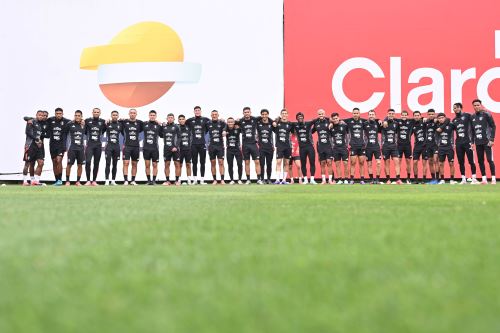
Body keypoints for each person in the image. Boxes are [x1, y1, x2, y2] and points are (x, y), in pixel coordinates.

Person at [451, 102, 478, 184]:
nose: (456, 109)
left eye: (457, 107)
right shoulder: (454, 120)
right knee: (461, 161)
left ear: (461, 108)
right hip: (459, 143)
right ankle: (463, 179)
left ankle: (474, 178)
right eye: (454, 108)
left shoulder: (467, 115)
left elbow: (474, 124)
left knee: (471, 161)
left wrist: (472, 141)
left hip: (468, 141)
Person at [471, 99, 496, 184]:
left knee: (489, 160)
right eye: (475, 105)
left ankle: (493, 179)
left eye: (478, 105)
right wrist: (472, 142)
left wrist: (492, 139)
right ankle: (484, 179)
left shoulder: (487, 114)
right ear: (473, 106)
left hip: (487, 141)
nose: (476, 107)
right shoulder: (472, 117)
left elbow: (493, 126)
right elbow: (472, 131)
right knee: (480, 161)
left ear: (481, 105)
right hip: (478, 143)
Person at [237, 107, 262, 184]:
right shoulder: (240, 121)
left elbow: (265, 117)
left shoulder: (255, 119)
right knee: (246, 162)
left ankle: (259, 179)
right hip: (245, 145)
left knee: (257, 161)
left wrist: (276, 119)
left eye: (248, 112)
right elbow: (229, 124)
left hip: (253, 144)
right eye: (245, 112)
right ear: (243, 113)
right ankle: (248, 179)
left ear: (250, 112)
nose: (246, 113)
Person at [46, 107, 70, 185]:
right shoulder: (50, 120)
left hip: (61, 145)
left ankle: (60, 180)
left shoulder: (66, 121)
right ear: (55, 114)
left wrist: (82, 121)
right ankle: (56, 180)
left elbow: (76, 121)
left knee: (59, 160)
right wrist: (30, 120)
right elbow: (41, 120)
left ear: (62, 114)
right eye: (57, 114)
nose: (58, 115)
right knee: (54, 162)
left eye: (60, 114)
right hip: (52, 145)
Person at [186, 106, 210, 185]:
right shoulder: (190, 120)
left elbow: (213, 123)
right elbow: (182, 124)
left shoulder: (205, 120)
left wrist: (222, 120)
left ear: (201, 111)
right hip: (193, 144)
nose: (197, 112)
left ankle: (202, 180)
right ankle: (195, 179)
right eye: (196, 110)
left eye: (198, 110)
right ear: (194, 112)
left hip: (202, 144)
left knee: (202, 162)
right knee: (194, 162)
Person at [121, 109, 143, 185]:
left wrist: (157, 121)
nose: (132, 114)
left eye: (134, 113)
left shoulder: (140, 123)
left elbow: (149, 125)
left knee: (134, 164)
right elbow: (115, 121)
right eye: (131, 113)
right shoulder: (124, 122)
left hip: (136, 146)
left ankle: (133, 180)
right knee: (126, 163)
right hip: (127, 146)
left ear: (136, 114)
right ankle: (126, 180)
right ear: (129, 114)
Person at [84, 108, 106, 186]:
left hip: (98, 145)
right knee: (88, 162)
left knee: (96, 163)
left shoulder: (102, 121)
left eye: (97, 112)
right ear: (92, 112)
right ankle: (88, 180)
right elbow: (85, 132)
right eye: (95, 112)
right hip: (89, 145)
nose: (96, 113)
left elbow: (104, 131)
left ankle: (94, 181)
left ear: (100, 113)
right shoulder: (87, 121)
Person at [22, 111, 45, 186]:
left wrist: (39, 141)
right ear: (36, 115)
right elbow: (27, 132)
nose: (41, 116)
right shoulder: (31, 121)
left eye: (42, 115)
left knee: (41, 162)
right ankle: (24, 181)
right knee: (27, 163)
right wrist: (36, 139)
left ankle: (35, 181)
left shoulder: (40, 125)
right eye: (39, 115)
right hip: (30, 145)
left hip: (38, 147)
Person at [311, 109, 334, 184]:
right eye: (319, 114)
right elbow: (311, 131)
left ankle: (330, 180)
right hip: (320, 146)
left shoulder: (329, 121)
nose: (321, 115)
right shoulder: (316, 123)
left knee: (329, 162)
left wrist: (331, 122)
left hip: (328, 145)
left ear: (324, 114)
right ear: (318, 115)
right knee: (322, 163)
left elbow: (335, 121)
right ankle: (323, 180)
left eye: (322, 114)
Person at [63, 110, 86, 186]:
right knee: (69, 164)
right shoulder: (70, 124)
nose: (77, 117)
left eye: (79, 115)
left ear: (81, 116)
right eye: (76, 115)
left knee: (80, 165)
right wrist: (65, 146)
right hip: (72, 148)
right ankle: (67, 181)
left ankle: (78, 181)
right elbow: (65, 134)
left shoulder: (84, 124)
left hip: (81, 148)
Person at [272, 108, 294, 184]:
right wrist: (275, 121)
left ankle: (284, 180)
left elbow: (294, 132)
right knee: (278, 162)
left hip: (288, 146)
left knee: (286, 163)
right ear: (281, 115)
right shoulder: (277, 123)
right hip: (280, 146)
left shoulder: (290, 124)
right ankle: (277, 179)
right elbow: (272, 124)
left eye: (285, 113)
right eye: (283, 113)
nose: (284, 115)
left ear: (287, 115)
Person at [344, 108, 366, 184]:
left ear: (359, 113)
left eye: (357, 113)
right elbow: (338, 120)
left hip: (361, 145)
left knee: (362, 162)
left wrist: (379, 120)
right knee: (353, 162)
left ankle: (362, 179)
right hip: (353, 145)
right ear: (352, 113)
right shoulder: (348, 121)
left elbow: (373, 120)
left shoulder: (363, 121)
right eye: (354, 113)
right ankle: (352, 179)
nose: (355, 114)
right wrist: (330, 123)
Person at [294, 112, 317, 184]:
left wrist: (330, 120)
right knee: (303, 164)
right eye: (298, 117)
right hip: (302, 148)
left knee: (312, 163)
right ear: (296, 118)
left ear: (303, 117)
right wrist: (277, 120)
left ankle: (312, 179)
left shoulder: (308, 123)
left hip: (310, 146)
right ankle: (305, 179)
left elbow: (316, 119)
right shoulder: (295, 125)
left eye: (301, 117)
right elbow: (286, 122)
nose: (300, 118)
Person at [435, 113, 457, 184]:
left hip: (449, 147)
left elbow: (455, 126)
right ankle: (442, 179)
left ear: (445, 118)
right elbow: (436, 136)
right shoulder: (437, 125)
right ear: (438, 119)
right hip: (441, 147)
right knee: (441, 164)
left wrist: (454, 143)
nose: (441, 119)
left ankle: (452, 179)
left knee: (451, 163)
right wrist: (438, 145)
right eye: (439, 118)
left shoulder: (450, 125)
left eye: (442, 117)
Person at [382, 109, 402, 184]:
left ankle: (398, 179)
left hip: (394, 146)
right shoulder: (383, 123)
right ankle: (388, 179)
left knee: (397, 161)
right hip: (386, 146)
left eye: (392, 113)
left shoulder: (396, 123)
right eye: (389, 113)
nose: (391, 114)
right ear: (387, 114)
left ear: (394, 114)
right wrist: (384, 120)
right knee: (387, 163)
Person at [206, 110, 226, 185]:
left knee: (221, 162)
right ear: (211, 115)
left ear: (218, 115)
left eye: (215, 114)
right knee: (213, 163)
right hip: (211, 146)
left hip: (220, 146)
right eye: (213, 114)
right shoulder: (208, 123)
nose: (214, 116)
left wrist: (224, 130)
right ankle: (214, 179)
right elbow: (202, 131)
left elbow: (229, 125)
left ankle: (222, 179)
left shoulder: (222, 123)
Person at [161, 113, 181, 186]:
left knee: (177, 164)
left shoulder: (176, 127)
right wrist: (161, 126)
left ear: (174, 119)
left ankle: (177, 180)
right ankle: (167, 180)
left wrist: (176, 146)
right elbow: (160, 135)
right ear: (167, 118)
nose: (170, 118)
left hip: (175, 149)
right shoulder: (164, 127)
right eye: (169, 117)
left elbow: (179, 137)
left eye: (171, 117)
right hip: (166, 148)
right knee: (167, 164)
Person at [143, 110, 162, 185]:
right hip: (146, 148)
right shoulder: (144, 124)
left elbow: (162, 135)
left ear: (156, 116)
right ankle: (148, 180)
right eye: (151, 115)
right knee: (147, 165)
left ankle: (153, 180)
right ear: (149, 116)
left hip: (155, 148)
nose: (152, 116)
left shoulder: (158, 125)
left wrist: (162, 124)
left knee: (155, 165)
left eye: (154, 115)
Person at [330, 113, 350, 184]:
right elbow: (330, 138)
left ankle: (346, 179)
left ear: (339, 118)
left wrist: (348, 145)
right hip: (335, 148)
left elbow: (348, 135)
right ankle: (339, 179)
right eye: (334, 119)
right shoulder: (331, 127)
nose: (335, 120)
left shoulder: (344, 125)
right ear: (332, 119)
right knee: (337, 164)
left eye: (336, 118)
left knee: (345, 163)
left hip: (344, 148)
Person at [363, 110, 382, 184]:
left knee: (378, 163)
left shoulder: (378, 123)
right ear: (368, 115)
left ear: (375, 115)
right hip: (368, 147)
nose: (371, 115)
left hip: (376, 146)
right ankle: (371, 179)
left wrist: (379, 119)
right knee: (369, 164)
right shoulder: (364, 124)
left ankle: (377, 179)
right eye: (370, 114)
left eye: (373, 114)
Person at [395, 110, 414, 184]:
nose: (404, 116)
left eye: (405, 115)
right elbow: (388, 117)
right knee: (398, 162)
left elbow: (420, 118)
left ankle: (408, 178)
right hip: (399, 145)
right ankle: (398, 179)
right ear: (401, 115)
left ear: (407, 116)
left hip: (407, 145)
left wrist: (424, 118)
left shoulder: (410, 122)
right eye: (403, 115)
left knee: (408, 162)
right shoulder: (398, 121)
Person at [104, 111, 121, 185]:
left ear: (118, 116)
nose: (114, 116)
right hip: (109, 146)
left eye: (116, 115)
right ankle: (107, 180)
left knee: (115, 164)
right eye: (113, 115)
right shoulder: (107, 123)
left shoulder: (120, 124)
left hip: (116, 146)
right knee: (108, 163)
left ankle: (113, 180)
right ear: (111, 116)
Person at [257, 109, 274, 184]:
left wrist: (274, 121)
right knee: (262, 164)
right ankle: (262, 179)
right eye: (262, 114)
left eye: (265, 114)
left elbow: (277, 122)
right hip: (261, 148)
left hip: (270, 147)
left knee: (269, 164)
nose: (264, 116)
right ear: (261, 115)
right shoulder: (258, 123)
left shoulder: (271, 124)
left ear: (268, 115)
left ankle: (269, 179)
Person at [411, 111, 427, 184]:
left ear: (420, 116)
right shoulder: (412, 124)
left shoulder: (424, 122)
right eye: (415, 115)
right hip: (416, 146)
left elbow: (432, 119)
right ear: (413, 116)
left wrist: (424, 118)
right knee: (414, 162)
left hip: (424, 146)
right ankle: (416, 179)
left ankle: (424, 179)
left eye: (418, 115)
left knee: (424, 163)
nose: (416, 117)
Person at [225, 117, 243, 184]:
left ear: (234, 122)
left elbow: (243, 126)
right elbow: (223, 126)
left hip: (237, 149)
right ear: (227, 123)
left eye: (232, 122)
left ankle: (240, 179)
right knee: (230, 165)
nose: (230, 123)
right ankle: (232, 179)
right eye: (229, 122)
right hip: (229, 149)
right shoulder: (225, 129)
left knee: (239, 164)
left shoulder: (237, 129)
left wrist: (238, 121)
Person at [177, 115, 194, 185]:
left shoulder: (189, 127)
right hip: (180, 150)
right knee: (179, 165)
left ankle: (189, 180)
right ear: (178, 120)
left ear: (185, 120)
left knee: (188, 165)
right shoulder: (176, 127)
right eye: (180, 119)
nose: (181, 120)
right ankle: (179, 180)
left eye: (183, 119)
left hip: (188, 149)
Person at [425, 109, 439, 184]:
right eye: (429, 114)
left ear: (434, 114)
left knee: (435, 160)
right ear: (427, 114)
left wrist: (437, 119)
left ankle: (437, 179)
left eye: (432, 114)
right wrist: (422, 118)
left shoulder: (437, 121)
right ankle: (433, 179)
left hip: (435, 144)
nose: (431, 115)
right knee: (430, 162)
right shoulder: (426, 122)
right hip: (428, 144)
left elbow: (447, 120)